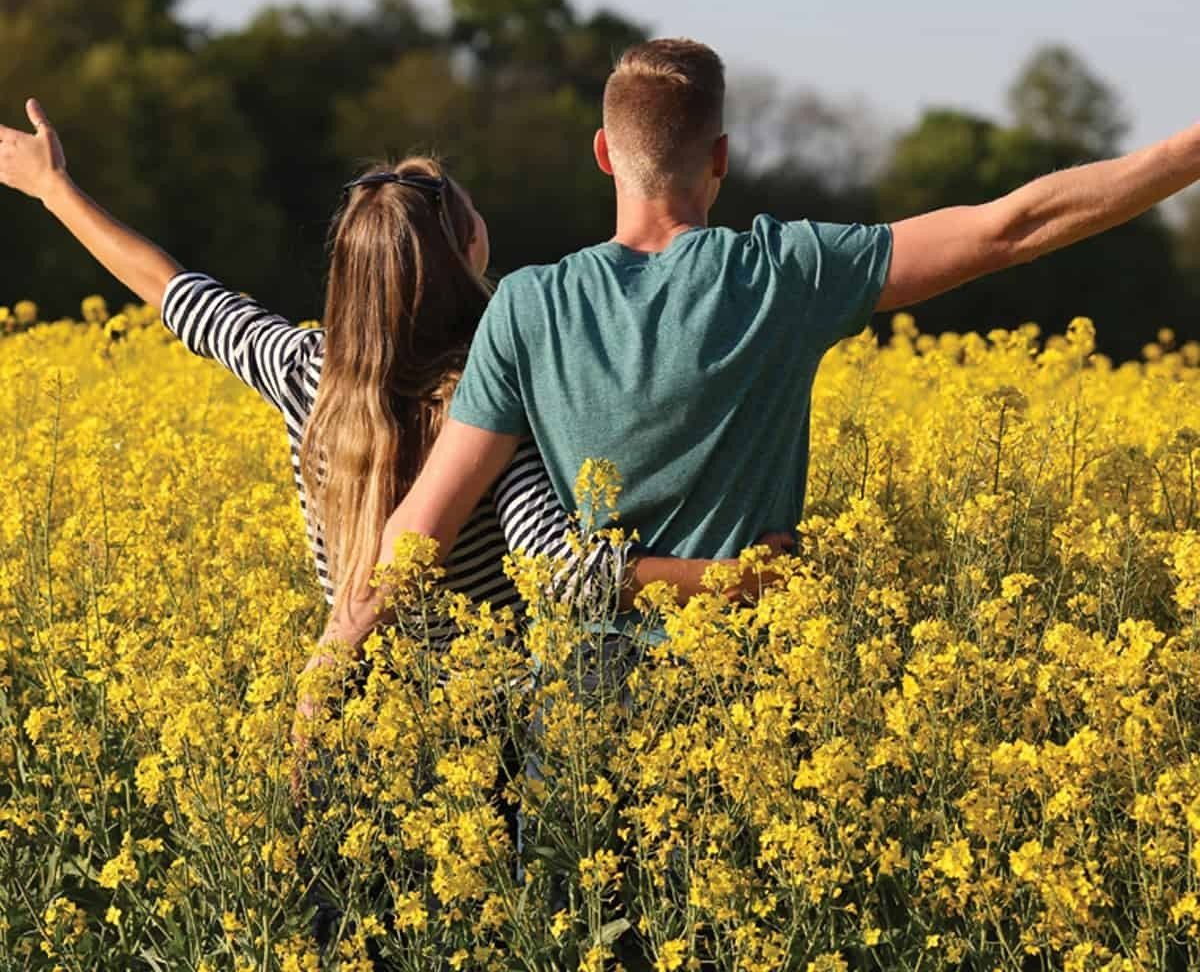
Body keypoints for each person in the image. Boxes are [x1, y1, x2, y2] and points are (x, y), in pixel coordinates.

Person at [305, 36, 1200, 658]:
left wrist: (323, 675)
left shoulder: (527, 306)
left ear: (604, 154)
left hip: (575, 726)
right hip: (738, 695)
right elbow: (1012, 228)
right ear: (721, 156)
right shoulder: (788, 272)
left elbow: (418, 532)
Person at [0, 100, 746, 643]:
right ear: (468, 252)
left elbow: (172, 290)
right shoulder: (490, 403)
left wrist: (54, 189)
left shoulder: (302, 372)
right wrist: (739, 580)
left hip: (352, 711)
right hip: (486, 748)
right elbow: (558, 568)